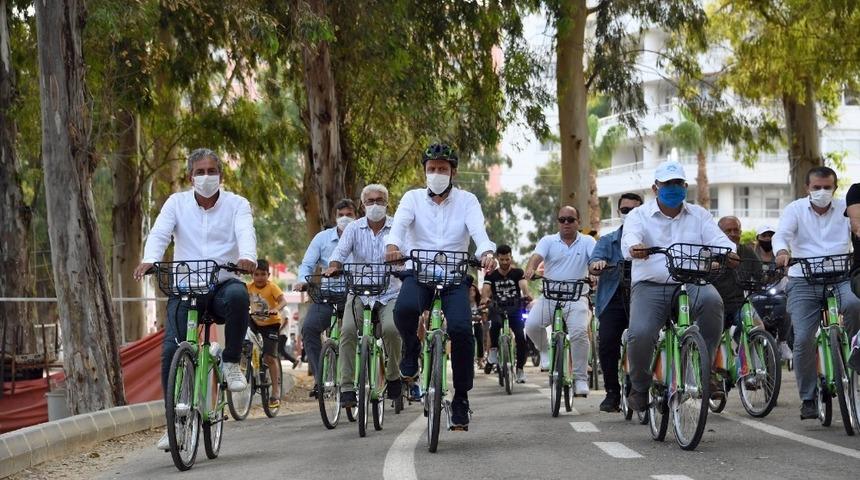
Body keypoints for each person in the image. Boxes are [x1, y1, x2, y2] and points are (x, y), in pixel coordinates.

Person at [133, 148, 256, 450]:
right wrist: (150, 259)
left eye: (211, 171)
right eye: (200, 172)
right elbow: (160, 233)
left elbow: (245, 232)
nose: (206, 177)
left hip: (222, 285)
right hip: (186, 288)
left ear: (221, 175)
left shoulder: (237, 204)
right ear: (190, 177)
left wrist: (247, 257)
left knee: (239, 295)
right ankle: (174, 425)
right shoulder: (176, 203)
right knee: (170, 353)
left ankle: (230, 362)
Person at [385, 142, 496, 430]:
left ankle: (461, 398)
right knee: (404, 310)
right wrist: (393, 246)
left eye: (442, 169)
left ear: (453, 172)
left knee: (461, 330)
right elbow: (399, 226)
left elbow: (479, 231)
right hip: (419, 272)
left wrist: (486, 252)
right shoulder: (411, 198)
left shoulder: (467, 201)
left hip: (454, 275)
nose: (436, 173)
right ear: (425, 171)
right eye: (431, 168)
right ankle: (411, 349)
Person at [620, 160, 736, 412]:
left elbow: (718, 239)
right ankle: (639, 386)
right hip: (651, 285)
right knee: (640, 334)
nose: (673, 188)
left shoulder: (700, 215)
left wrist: (729, 252)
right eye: (667, 183)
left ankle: (706, 370)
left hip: (692, 281)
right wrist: (635, 247)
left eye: (678, 183)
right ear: (655, 188)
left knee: (713, 301)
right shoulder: (638, 215)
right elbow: (630, 238)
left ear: (685, 186)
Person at [773, 167, 860, 420]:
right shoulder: (795, 210)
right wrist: (782, 252)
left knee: (855, 305)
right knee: (803, 338)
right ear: (807, 188)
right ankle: (808, 398)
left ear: (835, 187)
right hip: (803, 280)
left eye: (827, 187)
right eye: (816, 187)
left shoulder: (846, 208)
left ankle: (855, 359)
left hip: (841, 277)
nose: (822, 192)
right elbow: (782, 235)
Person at [324, 184, 403, 408]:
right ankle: (347, 387)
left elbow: (406, 252)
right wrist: (334, 266)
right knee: (347, 331)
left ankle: (393, 375)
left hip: (390, 292)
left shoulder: (397, 226)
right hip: (359, 292)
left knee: (391, 330)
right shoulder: (353, 228)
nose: (375, 205)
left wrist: (401, 260)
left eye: (380, 200)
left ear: (387, 203)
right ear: (362, 205)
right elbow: (339, 252)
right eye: (370, 201)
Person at [524, 206, 596, 397]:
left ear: (578, 222)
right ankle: (544, 351)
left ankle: (580, 378)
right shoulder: (548, 241)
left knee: (579, 333)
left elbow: (594, 260)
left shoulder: (588, 241)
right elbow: (536, 257)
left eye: (570, 220)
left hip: (577, 297)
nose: (566, 223)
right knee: (531, 325)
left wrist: (595, 271)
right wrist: (530, 268)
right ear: (557, 222)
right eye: (562, 219)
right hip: (549, 296)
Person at [295, 199, 357, 397]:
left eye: (349, 214)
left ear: (356, 216)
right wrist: (302, 281)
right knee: (309, 328)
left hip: (355, 294)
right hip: (327, 295)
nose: (345, 218)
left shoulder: (362, 235)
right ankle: (320, 379)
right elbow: (307, 264)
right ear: (335, 217)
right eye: (341, 215)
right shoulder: (322, 238)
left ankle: (365, 373)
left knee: (359, 333)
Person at [588, 192, 643, 412]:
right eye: (625, 210)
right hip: (614, 300)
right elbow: (593, 263)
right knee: (607, 342)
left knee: (649, 339)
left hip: (643, 298)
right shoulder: (607, 240)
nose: (629, 214)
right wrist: (597, 265)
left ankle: (646, 386)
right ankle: (612, 392)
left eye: (634, 210)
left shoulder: (650, 239)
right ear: (619, 212)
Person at [481, 244, 531, 384]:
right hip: (497, 307)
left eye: (507, 259)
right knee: (495, 324)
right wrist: (485, 298)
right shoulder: (491, 275)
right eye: (502, 259)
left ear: (511, 258)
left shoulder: (517, 272)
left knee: (521, 337)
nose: (504, 262)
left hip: (515, 308)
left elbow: (523, 285)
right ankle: (493, 351)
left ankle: (520, 370)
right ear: (498, 258)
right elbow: (486, 289)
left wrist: (526, 294)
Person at [247, 259, 288, 408]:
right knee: (243, 335)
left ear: (268, 275)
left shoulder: (272, 287)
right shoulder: (248, 287)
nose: (259, 277)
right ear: (252, 275)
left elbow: (283, 301)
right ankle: (247, 365)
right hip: (254, 322)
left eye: (263, 274)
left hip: (271, 324)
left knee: (270, 358)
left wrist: (276, 309)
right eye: (256, 274)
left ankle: (275, 392)